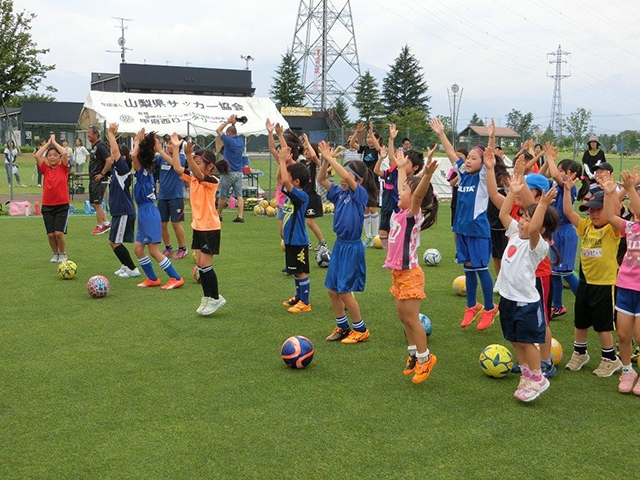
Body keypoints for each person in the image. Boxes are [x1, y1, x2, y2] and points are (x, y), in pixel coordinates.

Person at [494, 169, 559, 402]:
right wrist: (512, 193)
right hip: (508, 298)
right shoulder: (514, 233)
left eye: (527, 219)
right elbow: (503, 213)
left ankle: (538, 378)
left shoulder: (537, 245)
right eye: (523, 217)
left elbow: (533, 229)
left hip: (525, 302)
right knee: (514, 339)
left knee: (526, 341)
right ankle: (526, 375)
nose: (522, 221)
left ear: (541, 229)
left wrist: (541, 205)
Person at [430, 117, 499, 330]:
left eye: (473, 159)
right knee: (468, 270)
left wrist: (491, 138)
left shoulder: (482, 178)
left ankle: (489, 308)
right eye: (467, 158)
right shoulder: (464, 175)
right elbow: (452, 154)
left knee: (480, 269)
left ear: (482, 162)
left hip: (478, 231)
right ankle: (472, 306)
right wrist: (441, 133)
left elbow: (489, 159)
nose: (468, 161)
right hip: (462, 231)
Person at [383, 148, 439, 384]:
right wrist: (400, 167)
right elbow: (403, 189)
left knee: (412, 319)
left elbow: (416, 195)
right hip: (398, 274)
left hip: (410, 275)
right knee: (403, 318)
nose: (400, 191)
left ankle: (426, 360)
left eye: (405, 190)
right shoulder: (400, 212)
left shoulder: (412, 215)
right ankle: (414, 355)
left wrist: (425, 174)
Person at [562, 179, 622, 377]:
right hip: (586, 283)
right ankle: (580, 353)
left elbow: (615, 214)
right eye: (591, 210)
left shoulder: (612, 230)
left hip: (604, 285)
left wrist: (611, 194)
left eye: (598, 210)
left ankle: (610, 359)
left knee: (603, 324)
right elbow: (569, 213)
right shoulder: (586, 226)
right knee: (580, 321)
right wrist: (567, 190)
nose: (594, 213)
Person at [165, 134, 228, 316]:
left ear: (209, 166)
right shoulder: (194, 178)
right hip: (199, 227)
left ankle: (215, 297)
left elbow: (199, 174)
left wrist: (189, 155)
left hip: (210, 227)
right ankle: (207, 297)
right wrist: (177, 148)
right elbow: (177, 167)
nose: (195, 167)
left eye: (199, 163)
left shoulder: (211, 181)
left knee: (206, 266)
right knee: (201, 265)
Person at [316, 141, 371, 344]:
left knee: (345, 291)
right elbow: (321, 178)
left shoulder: (360, 195)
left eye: (347, 176)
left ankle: (361, 329)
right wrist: (325, 160)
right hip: (339, 245)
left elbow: (347, 176)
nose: (342, 179)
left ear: (360, 180)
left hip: (353, 247)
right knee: (332, 289)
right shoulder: (339, 193)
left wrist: (332, 159)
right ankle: (342, 326)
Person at [130, 129, 184, 290]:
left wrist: (137, 140)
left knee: (153, 250)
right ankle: (152, 278)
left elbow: (133, 156)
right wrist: (141, 142)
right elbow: (135, 157)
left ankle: (176, 277)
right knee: (138, 249)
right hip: (144, 212)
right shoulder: (146, 167)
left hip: (148, 213)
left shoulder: (143, 170)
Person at [603, 171, 640, 394]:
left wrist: (630, 188)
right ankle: (628, 370)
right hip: (625, 286)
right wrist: (610, 193)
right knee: (624, 335)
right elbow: (609, 216)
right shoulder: (630, 227)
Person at [540, 148, 582, 318]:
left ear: (571, 174)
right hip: (555, 232)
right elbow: (544, 177)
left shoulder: (569, 188)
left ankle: (587, 301)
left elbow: (555, 176)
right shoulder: (555, 184)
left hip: (565, 232)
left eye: (561, 169)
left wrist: (549, 157)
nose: (556, 171)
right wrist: (545, 159)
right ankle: (557, 306)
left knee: (566, 272)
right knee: (555, 273)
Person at [374, 124, 427, 251]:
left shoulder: (415, 182)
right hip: (395, 212)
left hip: (407, 216)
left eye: (406, 162)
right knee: (393, 241)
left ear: (415, 167)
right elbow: (392, 157)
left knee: (407, 247)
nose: (401, 162)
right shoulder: (397, 171)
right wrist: (391, 139)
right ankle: (391, 257)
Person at [279, 145, 312, 313]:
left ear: (296, 182)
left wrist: (284, 160)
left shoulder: (301, 196)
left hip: (299, 241)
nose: (286, 178)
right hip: (291, 241)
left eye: (290, 177)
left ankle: (305, 303)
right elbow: (281, 178)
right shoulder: (293, 192)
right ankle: (298, 297)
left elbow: (284, 181)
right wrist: (281, 162)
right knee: (294, 271)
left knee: (301, 271)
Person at [104, 123, 139, 279]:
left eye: (114, 156)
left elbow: (116, 151)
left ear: (122, 158)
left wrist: (111, 134)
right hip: (119, 211)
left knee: (115, 242)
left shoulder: (123, 169)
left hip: (124, 211)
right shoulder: (116, 172)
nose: (111, 156)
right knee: (113, 241)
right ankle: (125, 265)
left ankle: (133, 269)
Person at [33, 134, 70, 263]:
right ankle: (55, 254)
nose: (52, 157)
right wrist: (48, 144)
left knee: (59, 233)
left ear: (59, 158)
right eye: (50, 155)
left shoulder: (63, 168)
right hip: (48, 206)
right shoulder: (45, 169)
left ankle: (63, 253)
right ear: (47, 158)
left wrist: (54, 142)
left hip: (62, 205)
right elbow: (37, 156)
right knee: (50, 234)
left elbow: (64, 153)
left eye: (55, 155)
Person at [349, 122, 382, 243]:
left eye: (372, 137)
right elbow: (352, 144)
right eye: (368, 137)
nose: (369, 140)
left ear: (377, 139)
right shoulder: (364, 149)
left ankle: (375, 235)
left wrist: (371, 131)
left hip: (374, 182)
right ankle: (368, 236)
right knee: (365, 209)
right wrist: (357, 133)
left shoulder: (378, 150)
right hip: (363, 181)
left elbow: (379, 148)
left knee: (373, 208)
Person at [155, 138, 188, 259]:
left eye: (171, 143)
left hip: (176, 196)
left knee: (175, 223)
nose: (169, 146)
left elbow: (175, 165)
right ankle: (168, 247)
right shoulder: (160, 158)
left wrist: (160, 151)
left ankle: (182, 248)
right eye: (168, 143)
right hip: (163, 196)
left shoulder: (181, 157)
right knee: (162, 224)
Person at [300, 133, 327, 250]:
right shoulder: (302, 164)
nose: (306, 152)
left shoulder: (316, 164)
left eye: (308, 150)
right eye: (305, 150)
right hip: (303, 196)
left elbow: (315, 157)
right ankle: (307, 242)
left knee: (310, 222)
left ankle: (322, 243)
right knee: (301, 220)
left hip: (313, 196)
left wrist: (307, 141)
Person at [216, 114, 245, 223]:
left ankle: (219, 214)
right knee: (239, 195)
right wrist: (233, 124)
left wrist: (228, 122)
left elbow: (218, 130)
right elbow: (233, 132)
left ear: (229, 133)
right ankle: (240, 216)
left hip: (228, 172)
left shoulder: (229, 141)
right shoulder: (240, 141)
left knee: (223, 195)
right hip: (238, 172)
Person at [86, 126, 112, 235]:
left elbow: (109, 160)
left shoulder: (101, 146)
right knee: (94, 203)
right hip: (93, 178)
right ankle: (106, 223)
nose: (87, 135)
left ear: (96, 134)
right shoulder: (94, 147)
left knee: (97, 202)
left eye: (89, 133)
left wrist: (102, 174)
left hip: (99, 179)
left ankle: (100, 225)